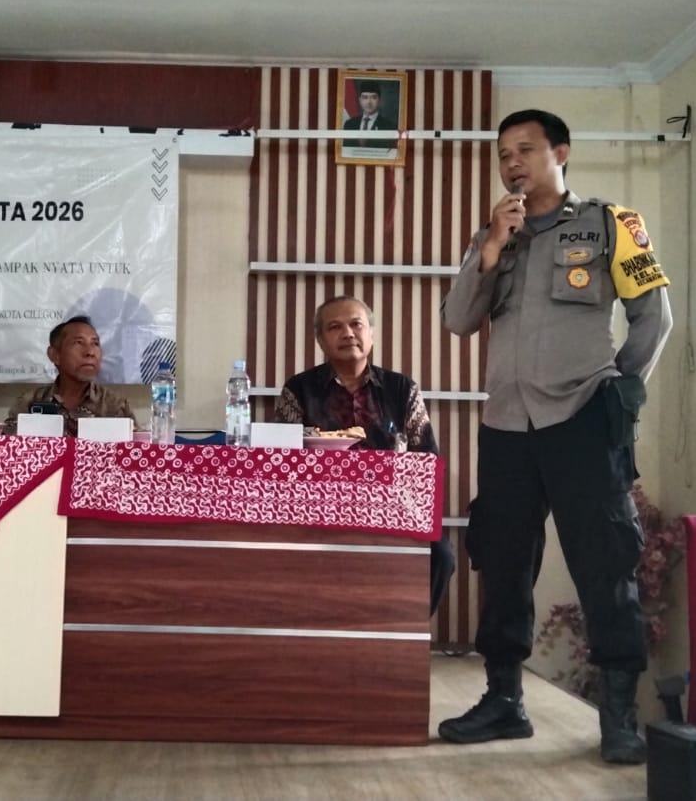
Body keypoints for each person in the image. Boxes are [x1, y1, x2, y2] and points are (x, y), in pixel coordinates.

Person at [438, 109, 673, 763]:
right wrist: (491, 247)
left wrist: (617, 389)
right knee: (503, 561)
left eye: (525, 150)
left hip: (582, 418)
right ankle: (503, 701)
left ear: (560, 153)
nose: (511, 163)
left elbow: (653, 317)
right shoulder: (493, 235)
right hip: (506, 424)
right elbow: (458, 319)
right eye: (503, 154)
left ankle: (618, 718)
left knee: (606, 563)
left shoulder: (609, 224)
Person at [274, 296, 455, 614]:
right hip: (321, 510)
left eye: (356, 324)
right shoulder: (299, 390)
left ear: (371, 333)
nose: (347, 333)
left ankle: (406, 629)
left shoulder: (402, 389)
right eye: (334, 327)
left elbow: (426, 460)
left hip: (393, 508)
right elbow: (281, 461)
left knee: (441, 554)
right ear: (321, 340)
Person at [3, 316, 138, 437]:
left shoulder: (115, 405)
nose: (90, 352)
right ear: (55, 355)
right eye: (78, 342)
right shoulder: (29, 402)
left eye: (95, 343)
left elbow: (135, 450)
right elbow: (8, 449)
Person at [341, 80, 398, 150]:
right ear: (360, 100)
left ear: (379, 100)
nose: (369, 102)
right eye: (365, 97)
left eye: (373, 97)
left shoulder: (389, 127)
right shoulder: (349, 124)